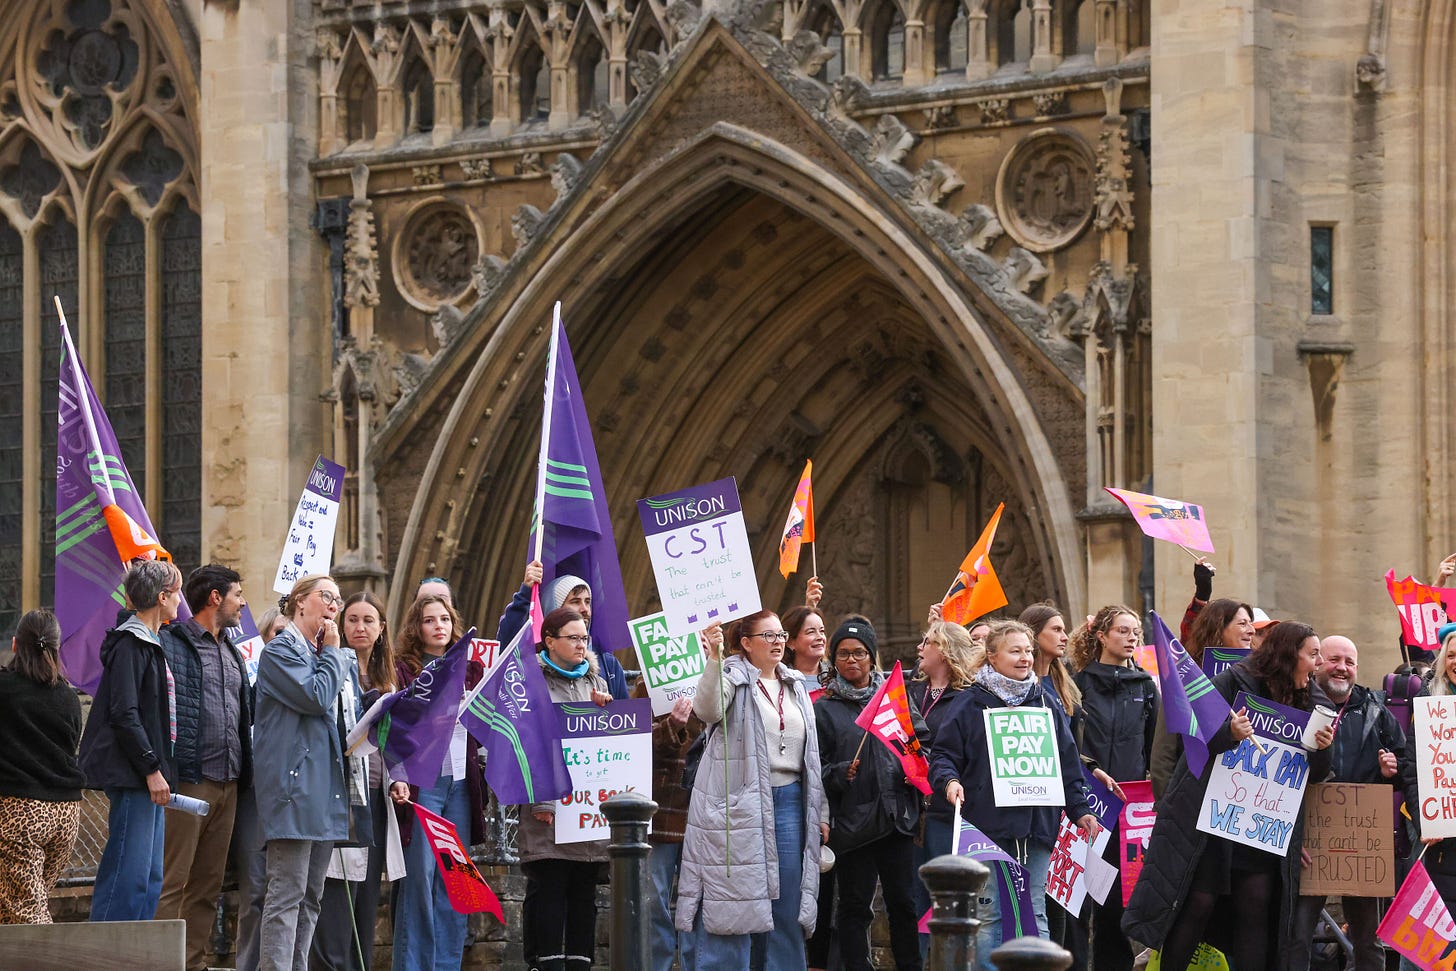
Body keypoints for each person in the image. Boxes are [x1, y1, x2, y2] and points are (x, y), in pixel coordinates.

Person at [1124, 621, 1335, 971]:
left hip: (1263, 826)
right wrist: (1229, 733)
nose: (1318, 664)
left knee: (1256, 907)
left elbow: (1316, 773)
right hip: (1213, 823)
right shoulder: (1233, 682)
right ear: (1287, 655)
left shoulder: (1316, 702)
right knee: (1197, 905)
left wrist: (1323, 750)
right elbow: (1192, 741)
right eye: (1312, 654)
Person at [928, 620, 1097, 971]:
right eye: (1015, 651)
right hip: (987, 827)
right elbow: (943, 756)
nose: (1024, 658)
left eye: (1028, 651)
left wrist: (1080, 808)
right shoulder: (970, 704)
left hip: (1036, 827)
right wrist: (949, 782)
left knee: (1034, 908)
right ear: (991, 657)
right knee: (989, 912)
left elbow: (1068, 763)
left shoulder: (1046, 703)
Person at [677, 610, 827, 970]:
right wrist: (713, 658)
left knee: (786, 903)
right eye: (768, 636)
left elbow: (812, 756)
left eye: (780, 636)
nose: (777, 643)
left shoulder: (794, 685)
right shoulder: (732, 676)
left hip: (791, 801)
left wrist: (820, 811)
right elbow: (708, 709)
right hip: (741, 803)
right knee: (736, 901)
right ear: (746, 643)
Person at [254, 574, 364, 971]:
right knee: (286, 894)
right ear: (300, 602)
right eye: (326, 596)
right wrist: (335, 652)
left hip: (324, 790)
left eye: (338, 598)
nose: (335, 604)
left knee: (311, 897)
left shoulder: (326, 657)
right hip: (294, 791)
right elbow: (316, 698)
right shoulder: (281, 652)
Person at [157, 564, 254, 971]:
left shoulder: (232, 649)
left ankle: (192, 964)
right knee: (173, 881)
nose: (242, 602)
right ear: (215, 597)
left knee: (207, 886)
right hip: (189, 781)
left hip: (229, 783)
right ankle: (161, 964)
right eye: (237, 594)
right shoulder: (171, 643)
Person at [815, 618, 926, 971]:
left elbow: (921, 741)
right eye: (843, 654)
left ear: (871, 656)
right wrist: (838, 773)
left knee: (904, 905)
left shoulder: (894, 698)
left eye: (859, 653)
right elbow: (816, 766)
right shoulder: (824, 709)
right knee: (854, 907)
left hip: (897, 820)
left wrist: (917, 769)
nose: (851, 661)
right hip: (853, 823)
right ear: (834, 660)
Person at [1290, 634, 1404, 971]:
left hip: (1361, 845)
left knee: (1369, 940)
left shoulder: (1377, 710)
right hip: (1309, 841)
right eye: (1334, 659)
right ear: (1317, 662)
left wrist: (1391, 771)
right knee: (1296, 935)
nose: (1342, 668)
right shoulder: (1296, 706)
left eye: (1349, 662)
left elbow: (1403, 765)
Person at [78, 558, 181, 921]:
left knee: (150, 878)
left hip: (149, 774)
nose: (180, 600)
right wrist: (152, 768)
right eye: (177, 592)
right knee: (128, 875)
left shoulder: (152, 641)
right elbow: (124, 713)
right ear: (163, 596)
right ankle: (105, 955)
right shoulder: (130, 644)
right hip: (134, 774)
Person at [389, 593, 486, 971]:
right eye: (430, 620)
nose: (439, 626)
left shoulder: (471, 669)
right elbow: (396, 724)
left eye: (444, 619)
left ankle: (447, 965)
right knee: (420, 881)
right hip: (423, 782)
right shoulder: (405, 670)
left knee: (454, 882)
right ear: (418, 627)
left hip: (461, 784)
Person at [518, 607, 612, 971]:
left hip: (586, 809)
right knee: (552, 887)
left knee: (584, 890)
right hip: (549, 807)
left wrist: (605, 710)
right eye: (572, 637)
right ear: (550, 641)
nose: (580, 644)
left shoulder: (596, 682)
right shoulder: (532, 681)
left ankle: (580, 964)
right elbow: (529, 741)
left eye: (584, 638)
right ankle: (547, 963)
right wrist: (542, 800)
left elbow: (608, 742)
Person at [311, 591, 401, 971]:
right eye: (352, 619)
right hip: (344, 796)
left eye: (368, 620)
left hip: (379, 795)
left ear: (381, 629)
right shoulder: (331, 668)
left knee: (366, 895)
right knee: (338, 891)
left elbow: (399, 742)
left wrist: (399, 777)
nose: (359, 627)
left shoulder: (391, 678)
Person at [1068, 605, 1158, 971]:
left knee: (1117, 901)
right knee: (1076, 897)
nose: (1132, 637)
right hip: (1085, 803)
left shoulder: (1147, 688)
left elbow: (1153, 748)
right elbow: (1069, 744)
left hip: (1128, 809)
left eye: (1135, 631)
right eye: (1122, 630)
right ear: (1102, 636)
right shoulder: (1077, 684)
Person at [0, 609, 85, 923]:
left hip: (20, 813)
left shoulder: (5, 690)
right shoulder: (67, 696)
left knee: (27, 914)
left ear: (14, 644)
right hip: (65, 815)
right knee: (14, 906)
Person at [910, 619, 976, 957]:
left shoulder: (969, 698)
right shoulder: (910, 689)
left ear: (945, 651)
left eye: (928, 641)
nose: (920, 647)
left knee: (943, 896)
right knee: (914, 897)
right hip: (909, 811)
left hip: (945, 812)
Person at [1150, 597, 1255, 798]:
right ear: (1217, 629)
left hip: (1242, 800)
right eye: (1242, 623)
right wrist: (1166, 802)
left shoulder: (1259, 678)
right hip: (1193, 798)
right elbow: (1165, 749)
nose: (1251, 630)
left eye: (1251, 623)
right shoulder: (1187, 680)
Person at [236, 605, 288, 971]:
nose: (284, 641)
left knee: (288, 892)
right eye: (277, 634)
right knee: (255, 891)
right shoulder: (248, 684)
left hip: (292, 799)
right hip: (254, 795)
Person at [635, 683, 701, 971]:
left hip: (704, 811)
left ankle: (696, 965)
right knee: (652, 902)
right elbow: (632, 743)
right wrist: (671, 727)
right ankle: (654, 966)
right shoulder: (648, 683)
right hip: (661, 808)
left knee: (699, 903)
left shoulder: (722, 684)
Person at [1402, 622, 1456, 963]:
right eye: (1451, 655)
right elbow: (1413, 770)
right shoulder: (1429, 703)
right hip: (1440, 845)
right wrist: (1426, 820)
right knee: (1433, 943)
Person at [496, 562, 629, 699]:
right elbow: (506, 647)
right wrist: (525, 594)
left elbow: (625, 716)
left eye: (588, 601)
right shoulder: (528, 667)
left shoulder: (608, 666)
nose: (585, 609)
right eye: (575, 602)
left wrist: (603, 708)